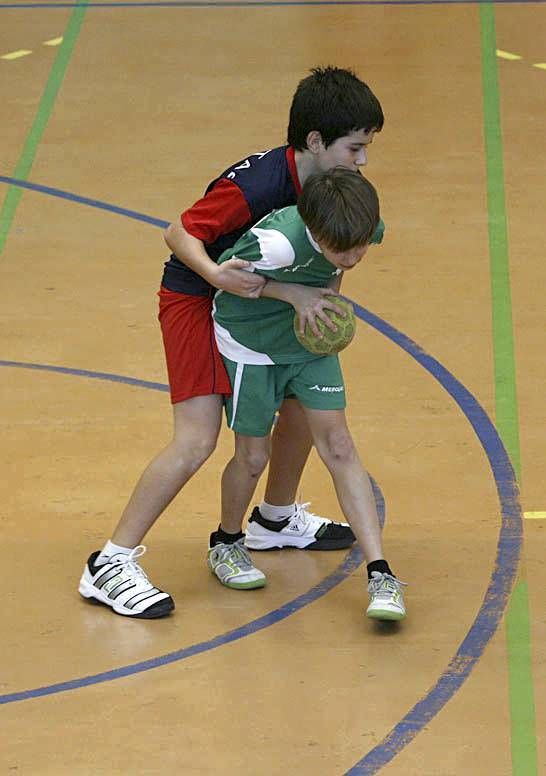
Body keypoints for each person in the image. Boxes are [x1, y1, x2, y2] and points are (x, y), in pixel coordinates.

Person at [79, 67, 385, 619]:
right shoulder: (257, 187)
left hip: (263, 304)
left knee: (297, 407)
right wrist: (218, 277)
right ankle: (110, 562)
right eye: (355, 148)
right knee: (197, 439)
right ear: (315, 142)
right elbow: (179, 234)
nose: (362, 161)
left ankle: (275, 518)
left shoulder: (331, 187)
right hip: (198, 298)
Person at [209, 167, 406, 620]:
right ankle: (226, 542)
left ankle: (381, 573)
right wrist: (295, 294)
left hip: (306, 339)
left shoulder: (359, 224)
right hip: (250, 342)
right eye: (344, 250)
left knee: (338, 445)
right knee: (252, 457)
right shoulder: (275, 244)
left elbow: (337, 266)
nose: (355, 256)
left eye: (361, 247)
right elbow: (227, 279)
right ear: (315, 231)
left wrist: (326, 298)